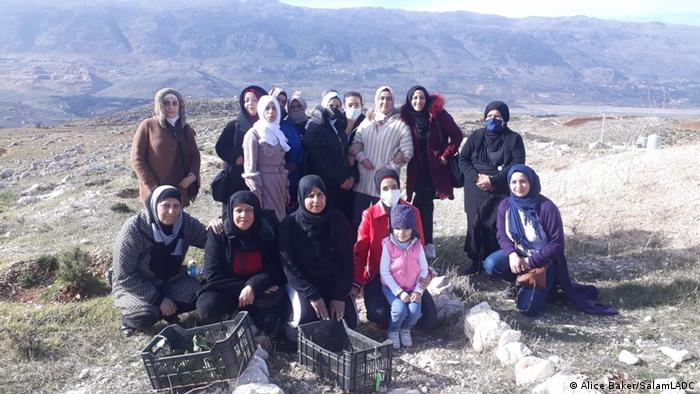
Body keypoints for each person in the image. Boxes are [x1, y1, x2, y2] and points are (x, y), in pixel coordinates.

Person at [484, 165, 617, 316]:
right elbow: (502, 235)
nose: (518, 186)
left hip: (544, 261)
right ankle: (519, 281)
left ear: (532, 182)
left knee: (527, 309)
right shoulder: (506, 205)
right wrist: (512, 255)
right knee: (491, 264)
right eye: (513, 182)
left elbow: (557, 244)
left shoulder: (546, 207)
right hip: (519, 254)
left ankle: (550, 283)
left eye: (523, 182)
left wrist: (529, 262)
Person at [112, 186, 207, 336]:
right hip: (135, 285)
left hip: (170, 279)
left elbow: (208, 240)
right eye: (166, 206)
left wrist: (221, 228)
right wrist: (159, 300)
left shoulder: (185, 223)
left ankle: (167, 310)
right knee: (145, 315)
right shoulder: (135, 229)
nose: (172, 211)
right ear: (154, 205)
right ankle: (130, 319)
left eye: (176, 206)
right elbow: (123, 276)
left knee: (202, 294)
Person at [352, 168, 437, 330]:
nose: (391, 191)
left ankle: (404, 318)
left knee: (429, 320)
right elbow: (360, 251)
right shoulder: (369, 215)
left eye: (394, 186)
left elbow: (420, 246)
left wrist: (427, 274)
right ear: (378, 191)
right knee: (379, 314)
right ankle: (398, 319)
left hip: (409, 276)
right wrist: (357, 282)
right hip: (379, 276)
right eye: (385, 188)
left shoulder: (412, 211)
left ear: (400, 187)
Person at [196, 191, 287, 333]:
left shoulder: (266, 232)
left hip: (257, 289)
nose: (244, 215)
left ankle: (250, 317)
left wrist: (254, 285)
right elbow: (212, 274)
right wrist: (245, 287)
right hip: (227, 288)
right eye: (238, 210)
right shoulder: (219, 234)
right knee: (207, 307)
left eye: (249, 210)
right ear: (231, 212)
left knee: (275, 316)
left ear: (256, 211)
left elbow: (276, 268)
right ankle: (231, 315)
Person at [279, 175, 358, 336]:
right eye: (310, 196)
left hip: (332, 281)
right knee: (307, 320)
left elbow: (346, 261)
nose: (316, 201)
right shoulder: (289, 225)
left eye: (320, 195)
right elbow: (289, 267)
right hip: (304, 284)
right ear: (301, 197)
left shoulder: (338, 219)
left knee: (349, 321)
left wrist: (339, 295)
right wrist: (313, 295)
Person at [458, 101, 525, 275]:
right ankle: (476, 262)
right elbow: (463, 159)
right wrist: (476, 177)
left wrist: (494, 180)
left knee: (498, 225)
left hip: (499, 190)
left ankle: (496, 264)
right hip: (475, 188)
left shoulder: (514, 139)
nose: (492, 119)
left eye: (497, 116)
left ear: (505, 118)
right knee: (474, 223)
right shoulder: (476, 136)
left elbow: (516, 164)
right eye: (489, 116)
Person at [400, 85, 463, 260]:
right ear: (409, 100)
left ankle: (426, 244)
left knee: (424, 205)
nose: (418, 101)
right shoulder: (406, 118)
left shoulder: (438, 115)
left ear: (426, 99)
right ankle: (420, 243)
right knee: (417, 205)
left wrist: (445, 155)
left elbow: (457, 135)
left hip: (433, 168)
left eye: (421, 98)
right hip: (416, 170)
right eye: (414, 98)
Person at [349, 86, 413, 229]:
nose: (385, 101)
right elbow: (355, 144)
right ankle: (358, 252)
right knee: (358, 224)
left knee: (384, 226)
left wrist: (388, 169)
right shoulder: (366, 122)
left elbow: (408, 152)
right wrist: (362, 158)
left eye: (388, 98)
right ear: (376, 100)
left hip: (387, 187)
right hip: (363, 184)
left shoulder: (401, 125)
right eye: (381, 98)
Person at [131, 88, 200, 207]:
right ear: (159, 105)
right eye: (166, 103)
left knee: (177, 221)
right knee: (154, 223)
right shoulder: (148, 125)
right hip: (154, 189)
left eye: (174, 103)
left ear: (180, 105)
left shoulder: (185, 128)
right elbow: (136, 158)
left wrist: (192, 176)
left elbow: (195, 155)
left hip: (180, 188)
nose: (171, 107)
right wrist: (152, 185)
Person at [380, 204, 429, 349]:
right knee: (399, 309)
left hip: (413, 287)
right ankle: (393, 330)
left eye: (406, 228)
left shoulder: (417, 246)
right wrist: (399, 292)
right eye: (398, 228)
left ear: (413, 229)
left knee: (415, 311)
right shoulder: (388, 245)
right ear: (392, 228)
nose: (402, 232)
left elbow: (424, 269)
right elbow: (384, 272)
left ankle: (406, 329)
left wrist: (418, 291)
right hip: (393, 288)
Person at [304, 90, 357, 222]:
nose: (334, 110)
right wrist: (341, 178)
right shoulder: (315, 126)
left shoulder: (337, 125)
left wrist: (351, 176)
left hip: (344, 185)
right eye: (331, 106)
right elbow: (320, 158)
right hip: (327, 184)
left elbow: (345, 153)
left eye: (337, 107)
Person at [215, 85, 267, 207]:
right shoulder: (234, 126)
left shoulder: (269, 127)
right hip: (238, 179)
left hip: (262, 177)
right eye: (246, 100)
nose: (250, 104)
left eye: (255, 100)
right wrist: (236, 158)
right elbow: (220, 147)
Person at [242, 95, 291, 221]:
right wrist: (257, 194)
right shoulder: (254, 134)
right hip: (264, 186)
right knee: (268, 221)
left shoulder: (278, 133)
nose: (271, 112)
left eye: (274, 108)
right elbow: (250, 169)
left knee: (281, 220)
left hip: (278, 184)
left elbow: (282, 164)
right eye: (267, 108)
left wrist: (285, 188)